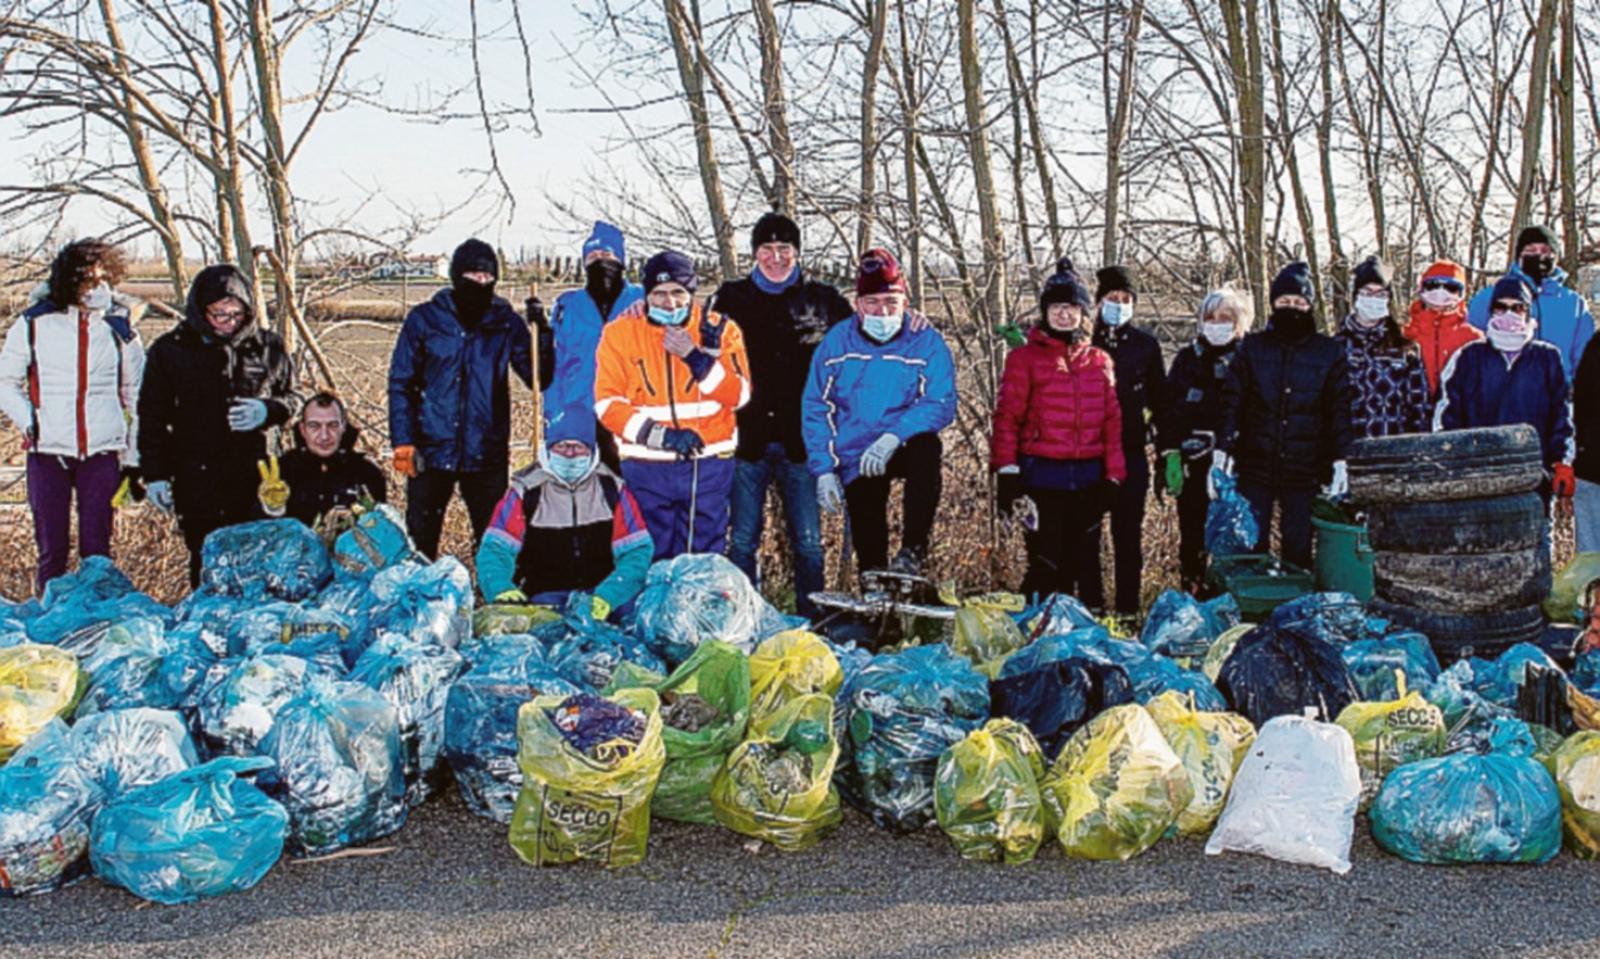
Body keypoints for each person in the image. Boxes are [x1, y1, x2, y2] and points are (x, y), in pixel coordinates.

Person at [710, 212, 854, 618]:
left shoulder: (824, 301)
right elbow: (697, 341)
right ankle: (742, 619)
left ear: (797, 252)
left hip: (802, 442)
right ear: (755, 253)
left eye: (784, 249)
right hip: (746, 440)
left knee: (808, 541)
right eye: (767, 249)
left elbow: (864, 337)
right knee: (741, 540)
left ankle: (815, 620)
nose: (776, 258)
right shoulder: (731, 298)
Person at [0, 239, 144, 592]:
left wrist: (133, 457)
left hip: (101, 452)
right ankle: (51, 621)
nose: (94, 288)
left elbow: (137, 396)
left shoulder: (121, 327)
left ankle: (96, 618)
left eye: (101, 279)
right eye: (86, 280)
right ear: (68, 280)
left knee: (97, 550)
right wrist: (30, 421)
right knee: (52, 549)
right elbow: (5, 381)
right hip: (47, 450)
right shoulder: (35, 322)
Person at [802, 248, 956, 577]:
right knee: (868, 530)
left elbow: (941, 401)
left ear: (905, 301)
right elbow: (816, 405)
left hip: (901, 443)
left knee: (927, 448)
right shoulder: (836, 343)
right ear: (858, 304)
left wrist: (893, 437)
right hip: (856, 451)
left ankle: (913, 553)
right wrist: (824, 469)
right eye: (872, 302)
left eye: (890, 302)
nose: (882, 311)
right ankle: (873, 589)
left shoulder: (925, 340)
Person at [139, 264, 296, 585]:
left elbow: (296, 398)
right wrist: (154, 475)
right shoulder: (170, 351)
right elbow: (152, 417)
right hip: (197, 478)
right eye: (218, 315)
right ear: (200, 311)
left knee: (258, 563)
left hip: (257, 474)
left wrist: (269, 410)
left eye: (235, 314)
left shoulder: (268, 347)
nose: (228, 323)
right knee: (207, 562)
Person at [593, 250, 750, 559]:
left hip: (708, 464)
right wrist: (660, 436)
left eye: (678, 292)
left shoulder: (719, 329)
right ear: (646, 294)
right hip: (646, 464)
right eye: (659, 294)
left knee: (703, 557)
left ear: (691, 291)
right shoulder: (620, 333)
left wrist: (698, 360)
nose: (670, 302)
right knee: (649, 555)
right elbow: (608, 404)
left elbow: (740, 396)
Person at [388, 238, 532, 559]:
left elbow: (539, 375)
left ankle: (491, 602)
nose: (480, 284)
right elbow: (401, 383)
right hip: (429, 451)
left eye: (487, 278)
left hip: (486, 452)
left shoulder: (504, 322)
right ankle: (418, 599)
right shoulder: (425, 320)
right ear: (456, 276)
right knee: (419, 541)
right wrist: (403, 440)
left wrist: (542, 330)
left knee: (493, 544)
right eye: (472, 276)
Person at [992, 259, 1125, 601]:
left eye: (1071, 308)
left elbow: (1112, 422)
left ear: (1084, 313)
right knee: (1046, 562)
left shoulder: (1099, 361)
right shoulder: (1024, 359)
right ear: (1045, 312)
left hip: (1088, 477)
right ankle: (1039, 631)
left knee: (1083, 562)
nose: (1064, 315)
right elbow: (1007, 418)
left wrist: (1114, 476)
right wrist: (1007, 471)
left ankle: (1088, 631)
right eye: (1056, 308)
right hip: (1042, 476)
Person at [1217, 261, 1354, 570]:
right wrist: (1223, 446)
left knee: (1299, 547)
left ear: (1309, 306)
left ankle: (1297, 607)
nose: (1292, 308)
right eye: (1285, 302)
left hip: (1304, 467)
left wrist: (1341, 456)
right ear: (1274, 304)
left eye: (1299, 302)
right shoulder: (1252, 348)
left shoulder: (1328, 352)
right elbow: (1233, 401)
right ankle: (1252, 607)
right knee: (1250, 545)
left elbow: (1338, 408)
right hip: (1256, 463)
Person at [475, 411, 654, 621]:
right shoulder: (525, 491)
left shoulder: (612, 489)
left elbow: (637, 552)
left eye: (579, 447)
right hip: (545, 598)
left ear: (592, 449)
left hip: (603, 597)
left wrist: (608, 596)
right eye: (562, 446)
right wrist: (500, 587)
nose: (570, 454)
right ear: (549, 448)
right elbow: (495, 549)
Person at [1437, 275, 1574, 507]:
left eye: (1517, 308)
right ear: (1491, 312)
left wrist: (1561, 462)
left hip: (1533, 482)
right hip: (1476, 481)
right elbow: (1445, 416)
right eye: (1501, 307)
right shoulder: (1468, 357)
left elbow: (1563, 415)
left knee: (1536, 541)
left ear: (1528, 313)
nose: (1509, 314)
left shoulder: (1548, 358)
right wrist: (1451, 462)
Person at [1157, 287, 1252, 594]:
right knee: (1193, 538)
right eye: (1210, 318)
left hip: (1238, 466)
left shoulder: (1249, 360)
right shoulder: (1187, 360)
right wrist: (1168, 453)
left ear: (1238, 322)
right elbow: (1168, 410)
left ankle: (1234, 600)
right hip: (1192, 465)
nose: (1217, 323)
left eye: (1225, 318)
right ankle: (1193, 596)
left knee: (1235, 539)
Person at [531, 220, 642, 470]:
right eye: (592, 257)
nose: (599, 262)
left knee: (633, 494)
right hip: (580, 411)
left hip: (632, 411)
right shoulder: (567, 305)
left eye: (606, 255)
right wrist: (554, 413)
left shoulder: (642, 299)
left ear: (621, 261)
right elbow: (555, 366)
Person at [1087, 264, 1164, 615]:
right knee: (1086, 536)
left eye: (1126, 299)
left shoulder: (1146, 346)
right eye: (1112, 298)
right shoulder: (1085, 341)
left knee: (1127, 537)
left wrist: (1167, 453)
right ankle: (1091, 608)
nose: (1119, 304)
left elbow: (1161, 401)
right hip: (1086, 454)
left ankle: (1128, 611)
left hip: (1131, 453)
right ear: (1099, 302)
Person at [1466, 225, 1594, 380]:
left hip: (1558, 394)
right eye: (1531, 250)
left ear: (1556, 257)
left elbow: (1585, 357)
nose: (1539, 256)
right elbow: (1472, 345)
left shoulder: (1574, 304)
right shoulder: (1490, 297)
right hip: (1502, 392)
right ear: (1519, 255)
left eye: (1546, 251)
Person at [1337, 255, 1432, 439]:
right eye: (1367, 292)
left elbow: (1420, 408)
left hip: (1395, 450)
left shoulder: (1405, 349)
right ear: (1355, 296)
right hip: (1350, 452)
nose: (1374, 299)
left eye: (1380, 294)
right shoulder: (1335, 348)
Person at [276, 391, 387, 528]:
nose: (324, 436)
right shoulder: (281, 471)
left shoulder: (367, 474)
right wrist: (272, 509)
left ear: (343, 427)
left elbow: (382, 532)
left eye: (332, 426)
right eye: (314, 426)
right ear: (302, 429)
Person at [1403, 258, 1481, 398]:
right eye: (1432, 285)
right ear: (1421, 289)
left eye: (1451, 288)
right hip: (1413, 413)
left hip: (1457, 415)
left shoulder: (1474, 339)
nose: (1440, 292)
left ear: (1461, 294)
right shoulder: (1406, 336)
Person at [1573, 340, 1600, 552]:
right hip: (1592, 468)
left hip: (1590, 461)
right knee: (1591, 559)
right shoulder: (1596, 346)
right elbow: (1581, 402)